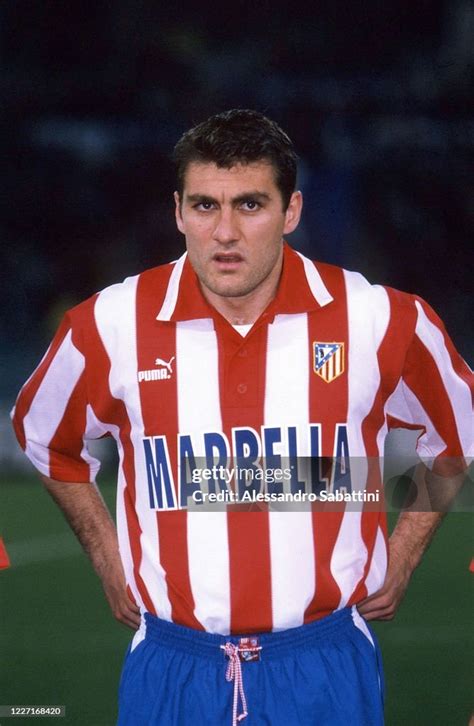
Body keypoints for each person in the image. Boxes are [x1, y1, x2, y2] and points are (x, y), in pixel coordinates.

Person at [11, 109, 472, 725]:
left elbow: (458, 432)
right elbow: (44, 437)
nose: (224, 231)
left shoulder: (380, 319)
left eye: (250, 205)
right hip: (174, 665)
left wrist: (405, 552)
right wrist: (105, 552)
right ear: (178, 212)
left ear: (293, 211)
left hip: (325, 664)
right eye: (205, 206)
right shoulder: (109, 324)